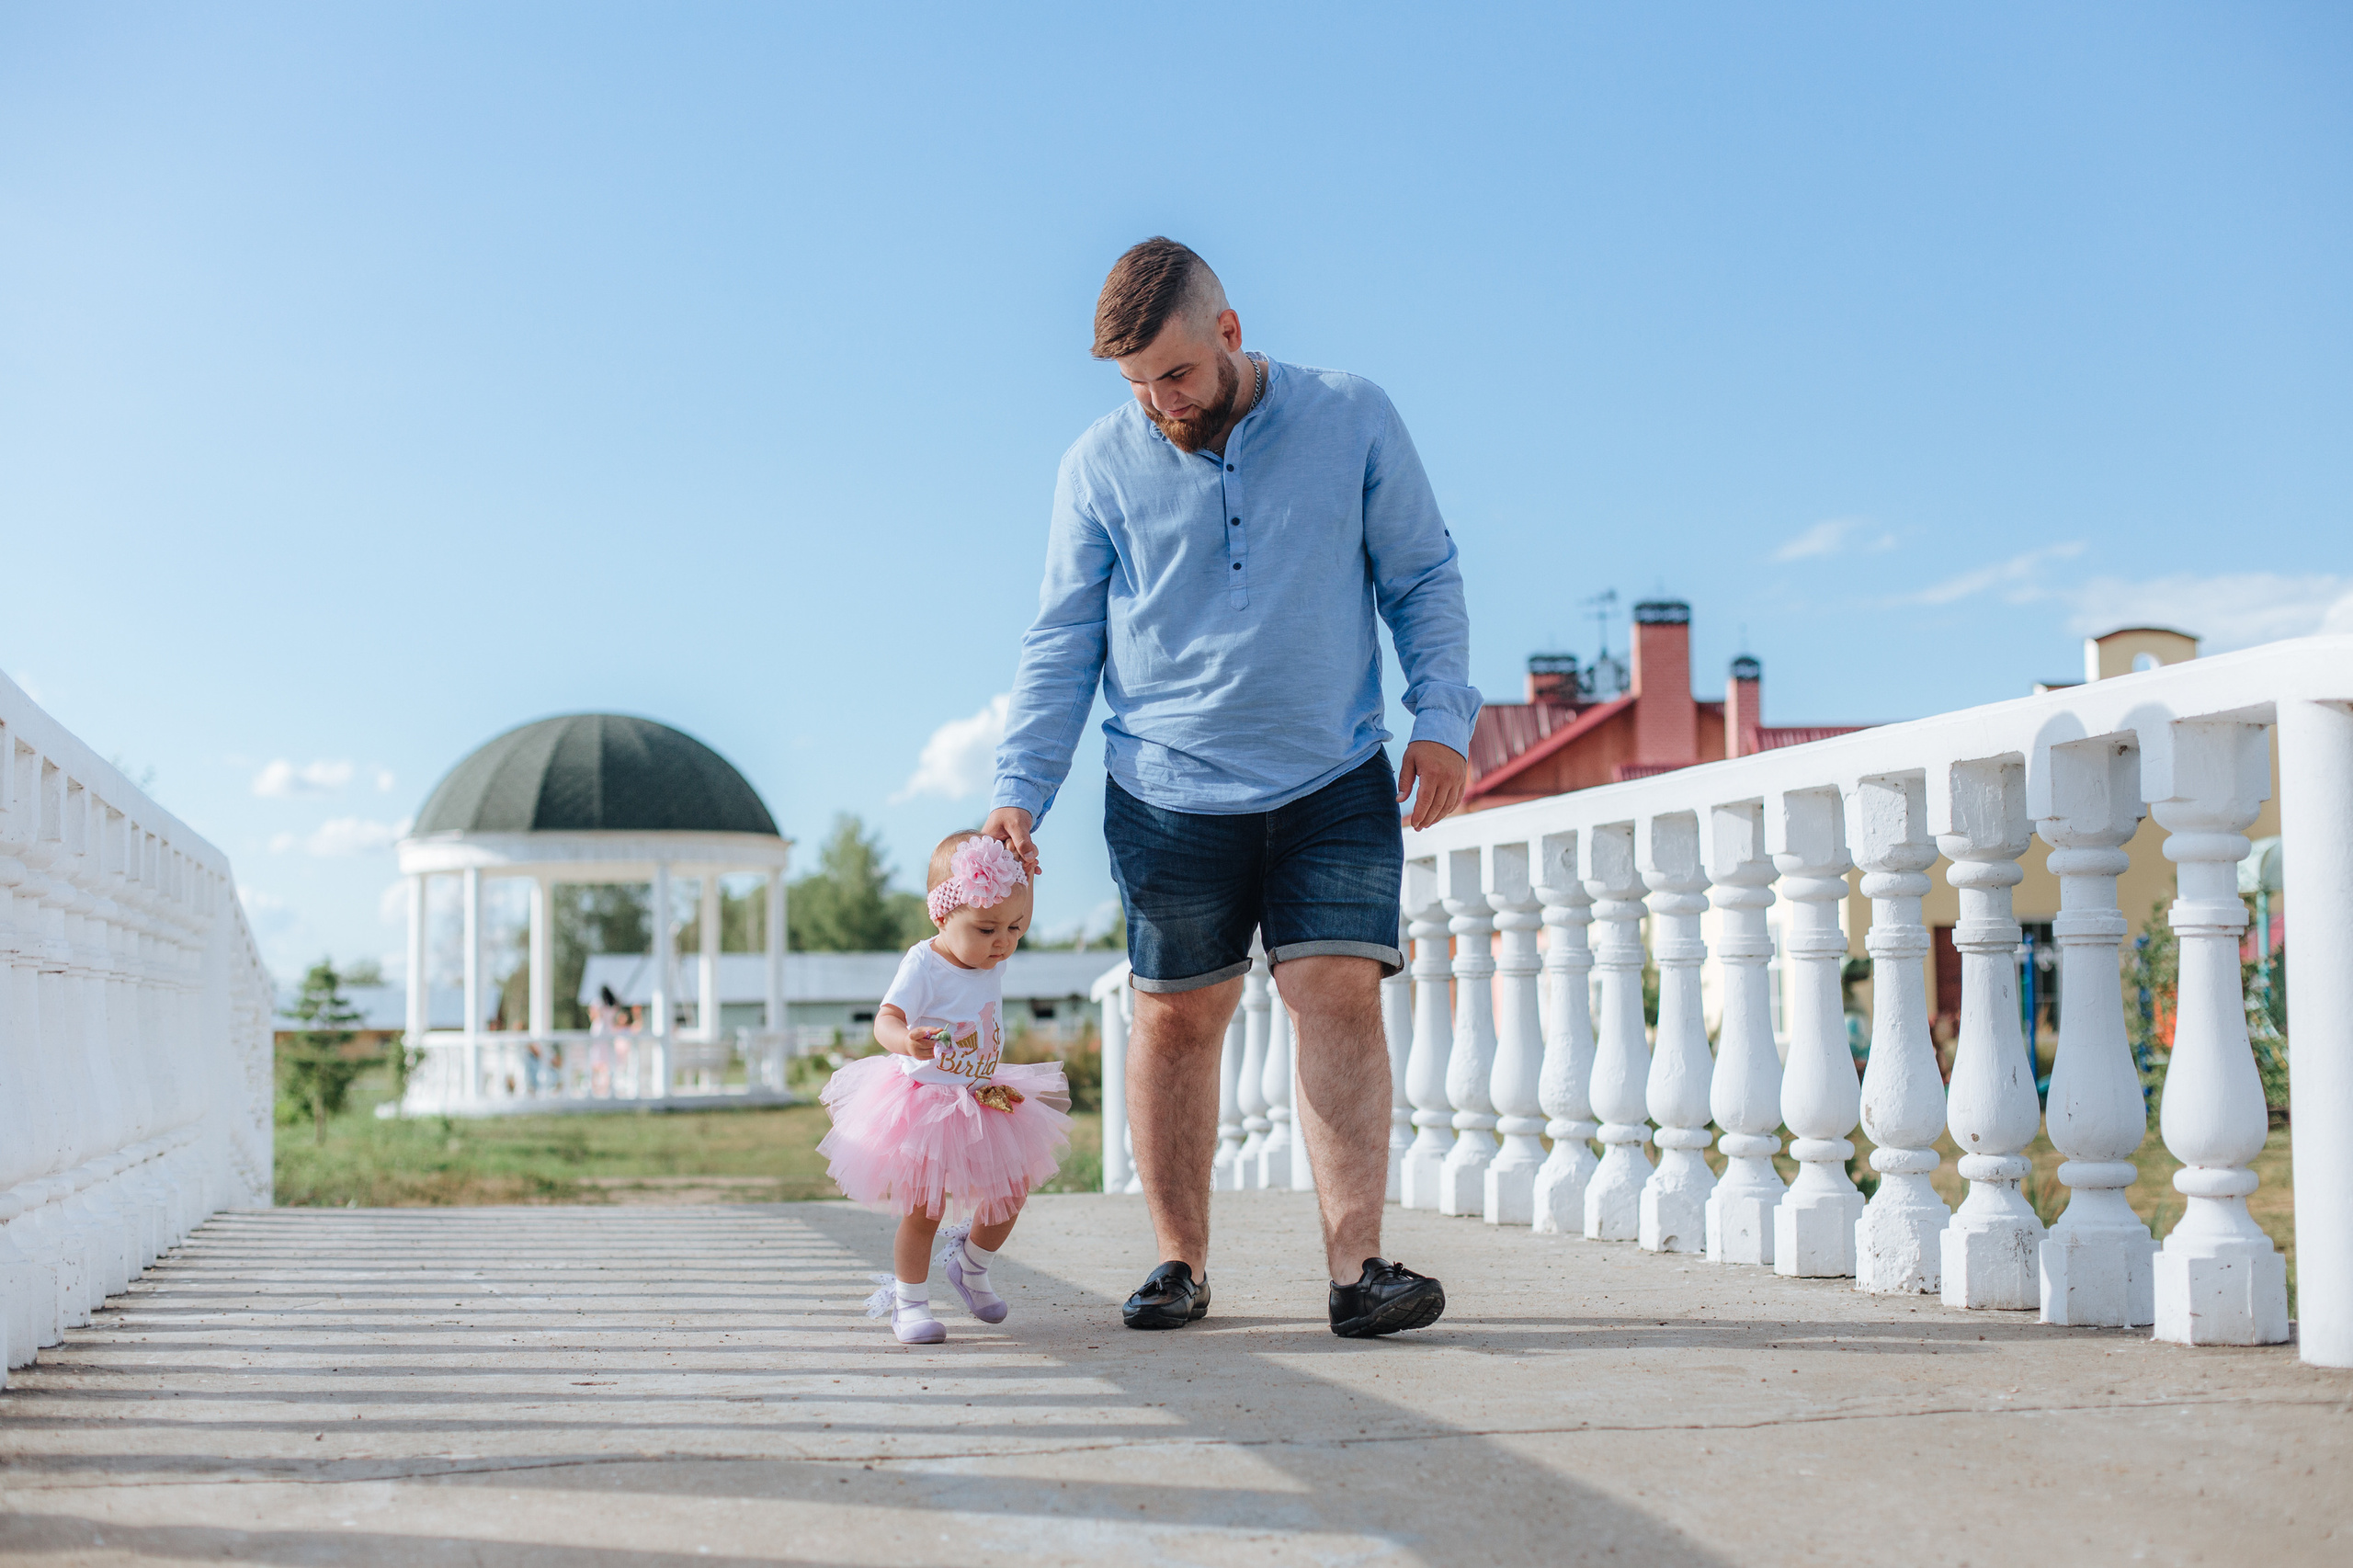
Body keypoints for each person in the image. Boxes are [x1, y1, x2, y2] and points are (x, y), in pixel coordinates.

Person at [985, 237, 1480, 1338]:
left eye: (1176, 374)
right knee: (1175, 1017)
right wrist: (1021, 786)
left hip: (1331, 773)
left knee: (1337, 991)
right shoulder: (1097, 465)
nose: (1161, 402)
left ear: (1229, 334)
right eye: (1137, 385)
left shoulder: (1353, 416)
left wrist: (1440, 717)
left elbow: (1422, 573)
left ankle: (1360, 1270)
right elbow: (1062, 638)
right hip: (1165, 787)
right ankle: (1178, 1263)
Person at [816, 832, 1074, 1344]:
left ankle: (972, 1266)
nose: (1003, 942)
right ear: (942, 916)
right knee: (925, 1207)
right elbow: (886, 1018)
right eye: (987, 928)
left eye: (1016, 929)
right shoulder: (924, 963)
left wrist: (1018, 865)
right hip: (926, 1102)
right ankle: (909, 1300)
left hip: (983, 1095)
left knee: (1010, 1192)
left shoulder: (991, 952)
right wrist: (904, 1041)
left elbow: (1013, 903)